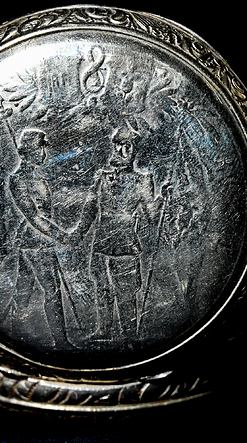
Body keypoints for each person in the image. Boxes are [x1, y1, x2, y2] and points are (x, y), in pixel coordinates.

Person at [75, 124, 159, 340]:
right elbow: (90, 208)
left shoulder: (142, 180)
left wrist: (161, 201)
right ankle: (104, 330)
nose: (123, 151)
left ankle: (129, 336)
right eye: (119, 145)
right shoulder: (102, 177)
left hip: (125, 243)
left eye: (128, 145)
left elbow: (151, 215)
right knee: (102, 288)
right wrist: (78, 233)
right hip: (101, 242)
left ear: (135, 150)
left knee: (126, 292)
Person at [7, 128, 73, 348]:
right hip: (34, 241)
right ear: (27, 152)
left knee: (24, 289)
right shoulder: (18, 180)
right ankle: (60, 342)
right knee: (52, 290)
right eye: (39, 148)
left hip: (39, 240)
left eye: (43, 148)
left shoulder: (36, 176)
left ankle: (12, 336)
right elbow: (34, 216)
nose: (44, 152)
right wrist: (60, 235)